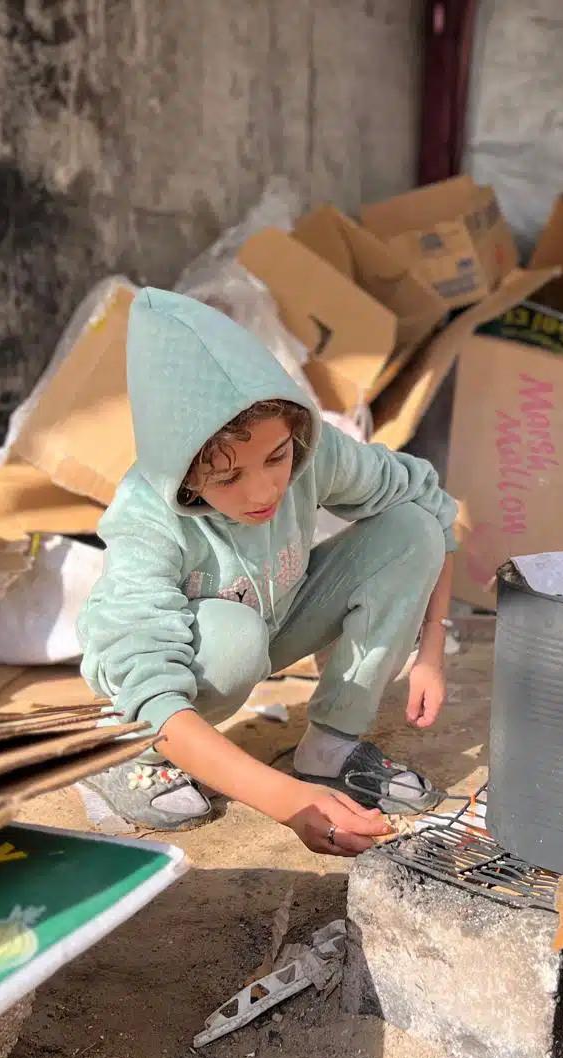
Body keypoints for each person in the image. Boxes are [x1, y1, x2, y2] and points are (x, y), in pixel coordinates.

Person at [78, 288, 459, 857]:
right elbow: (147, 683)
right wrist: (288, 802)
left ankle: (330, 750)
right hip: (185, 671)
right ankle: (134, 756)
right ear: (182, 474)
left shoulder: (310, 451)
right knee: (235, 638)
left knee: (410, 530)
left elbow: (430, 503)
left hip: (276, 617)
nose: (263, 492)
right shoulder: (146, 520)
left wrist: (429, 652)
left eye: (277, 458)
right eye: (227, 478)